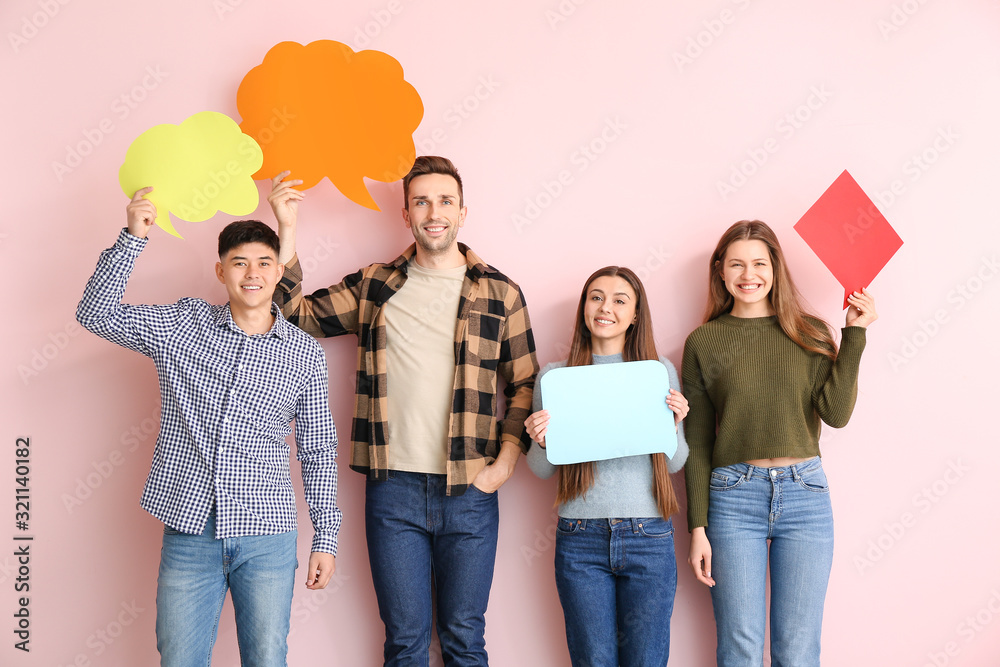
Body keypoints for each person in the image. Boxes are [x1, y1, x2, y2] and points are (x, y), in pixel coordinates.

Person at [267, 156, 539, 665]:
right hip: (393, 490)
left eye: (444, 201)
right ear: (405, 214)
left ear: (462, 212)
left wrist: (504, 464)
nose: (433, 211)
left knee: (464, 639)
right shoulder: (376, 284)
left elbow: (524, 382)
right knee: (405, 642)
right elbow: (291, 315)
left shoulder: (500, 292)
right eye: (421, 201)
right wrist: (287, 227)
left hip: (470, 490)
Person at [76, 187, 342, 666]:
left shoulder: (304, 354)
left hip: (267, 535)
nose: (253, 273)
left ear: (280, 271)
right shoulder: (183, 326)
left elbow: (319, 450)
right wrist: (132, 238)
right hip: (189, 531)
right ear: (221, 271)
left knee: (266, 658)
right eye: (239, 263)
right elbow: (95, 313)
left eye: (264, 262)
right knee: (179, 659)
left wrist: (326, 536)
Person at [682, 220, 878, 666]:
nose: (748, 274)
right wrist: (697, 527)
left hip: (805, 494)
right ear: (720, 272)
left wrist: (855, 334)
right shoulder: (704, 342)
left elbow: (837, 414)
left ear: (775, 268)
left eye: (758, 263)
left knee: (798, 647)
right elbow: (696, 440)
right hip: (732, 498)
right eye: (736, 264)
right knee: (740, 646)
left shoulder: (809, 332)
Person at [523, 266, 690, 666]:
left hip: (648, 535)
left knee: (646, 660)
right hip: (581, 539)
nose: (605, 307)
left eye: (619, 300)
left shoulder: (659, 372)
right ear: (584, 307)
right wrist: (539, 440)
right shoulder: (554, 378)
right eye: (596, 297)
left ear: (635, 315)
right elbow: (542, 471)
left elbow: (676, 463)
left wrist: (675, 427)